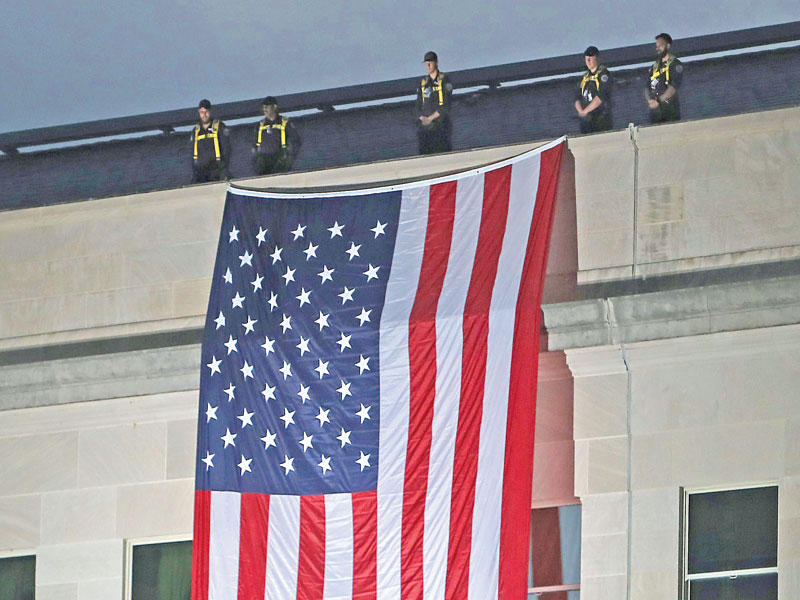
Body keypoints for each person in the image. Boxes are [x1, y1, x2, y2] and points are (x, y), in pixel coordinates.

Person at [415, 51, 453, 155]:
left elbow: (446, 104)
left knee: (443, 152)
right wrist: (422, 118)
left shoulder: (444, 79)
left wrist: (431, 118)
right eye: (426, 63)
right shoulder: (423, 82)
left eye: (430, 62)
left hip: (440, 125)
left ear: (436, 63)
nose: (428, 65)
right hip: (426, 128)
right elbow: (418, 104)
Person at [252, 96, 301, 175]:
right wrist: (256, 161)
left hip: (281, 160)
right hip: (264, 162)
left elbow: (296, 141)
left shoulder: (285, 122)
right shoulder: (260, 125)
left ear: (274, 107)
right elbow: (254, 146)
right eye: (263, 107)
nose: (264, 109)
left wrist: (289, 157)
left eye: (267, 107)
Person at [645, 33, 684, 123]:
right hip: (656, 112)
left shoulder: (675, 64)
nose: (658, 48)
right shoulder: (655, 67)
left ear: (668, 46)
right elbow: (647, 87)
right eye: (657, 46)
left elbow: (673, 87)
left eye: (661, 45)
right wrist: (650, 100)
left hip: (670, 111)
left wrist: (659, 100)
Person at [190, 99, 231, 183]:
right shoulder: (196, 130)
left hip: (217, 170)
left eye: (206, 112)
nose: (204, 115)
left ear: (210, 111)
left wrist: (223, 168)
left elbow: (227, 148)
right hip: (201, 171)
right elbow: (191, 153)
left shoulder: (219, 126)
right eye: (202, 112)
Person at [574, 46, 613, 133]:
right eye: (586, 58)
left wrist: (586, 111)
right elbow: (577, 97)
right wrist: (581, 112)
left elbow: (601, 96)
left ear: (597, 58)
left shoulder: (603, 74)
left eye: (590, 58)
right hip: (586, 121)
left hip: (601, 119)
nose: (588, 61)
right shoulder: (584, 77)